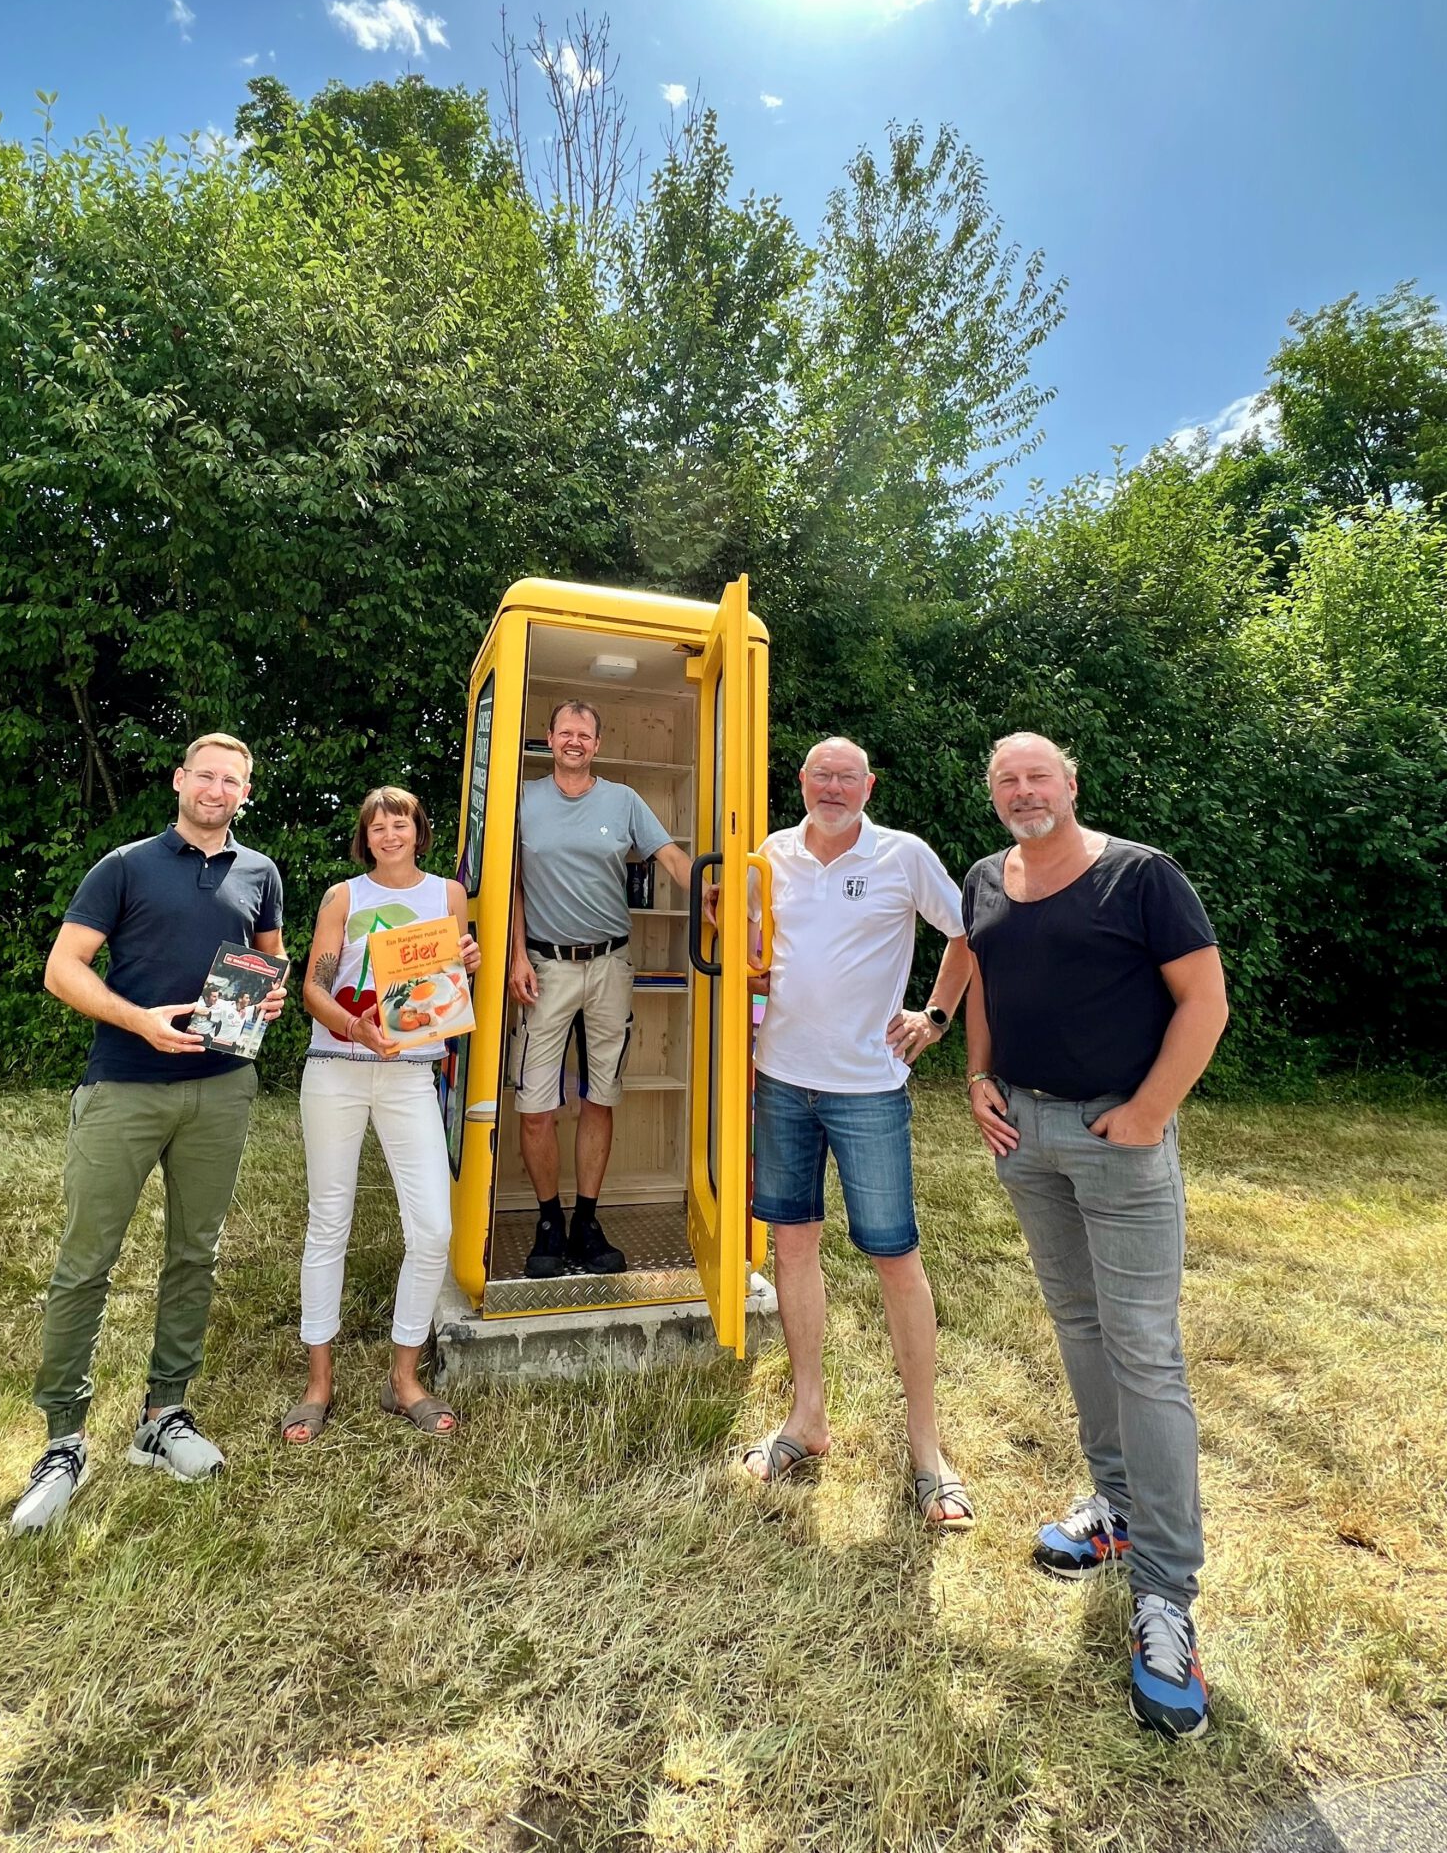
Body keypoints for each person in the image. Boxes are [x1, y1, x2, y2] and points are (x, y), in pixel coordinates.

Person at [962, 732, 1229, 1741]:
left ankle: (1168, 1596)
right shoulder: (988, 876)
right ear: (994, 796)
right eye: (1006, 779)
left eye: (1039, 775)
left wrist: (1153, 1109)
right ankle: (1114, 1509)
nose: (1023, 790)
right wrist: (980, 1078)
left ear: (1071, 785)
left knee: (1145, 1351)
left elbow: (1204, 1001)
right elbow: (982, 976)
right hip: (1025, 1136)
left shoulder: (1140, 875)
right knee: (1079, 1325)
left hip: (1122, 1135)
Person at [10, 733, 287, 1534]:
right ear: (180, 780)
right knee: (84, 1261)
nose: (217, 788)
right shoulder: (124, 866)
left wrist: (268, 999)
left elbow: (270, 962)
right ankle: (63, 1440)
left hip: (222, 1090)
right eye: (206, 774)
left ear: (244, 793)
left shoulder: (261, 873)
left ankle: (163, 1418)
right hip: (125, 1086)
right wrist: (138, 1019)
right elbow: (64, 969)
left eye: (232, 780)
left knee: (194, 1253)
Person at [741, 738, 974, 1529]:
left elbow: (968, 931)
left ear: (869, 785)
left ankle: (927, 1454)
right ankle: (807, 1421)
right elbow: (750, 954)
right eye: (820, 776)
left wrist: (935, 1016)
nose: (832, 787)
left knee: (895, 1258)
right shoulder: (769, 856)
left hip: (869, 1088)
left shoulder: (902, 855)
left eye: (847, 777)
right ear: (800, 783)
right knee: (792, 1247)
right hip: (780, 1080)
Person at [282, 786, 480, 1443]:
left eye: (401, 824)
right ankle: (318, 1384)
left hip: (410, 1075)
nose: (389, 835)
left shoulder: (448, 897)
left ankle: (403, 1380)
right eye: (377, 827)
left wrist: (467, 964)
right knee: (328, 1224)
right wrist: (352, 1027)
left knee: (431, 1231)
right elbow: (312, 986)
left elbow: (446, 986)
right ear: (364, 838)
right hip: (337, 1071)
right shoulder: (345, 896)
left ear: (419, 833)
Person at [508, 700, 693, 1278]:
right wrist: (517, 954)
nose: (574, 741)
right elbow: (508, 883)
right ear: (550, 738)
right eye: (565, 732)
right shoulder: (524, 801)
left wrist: (719, 898)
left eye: (584, 735)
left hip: (611, 965)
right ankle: (548, 1221)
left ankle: (587, 1220)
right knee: (535, 1105)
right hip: (545, 967)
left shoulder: (624, 800)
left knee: (600, 1097)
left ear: (596, 743)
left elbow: (670, 858)